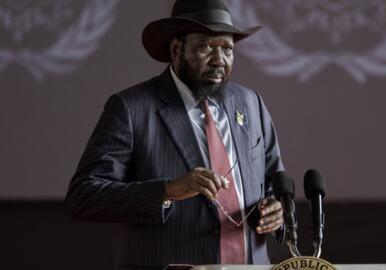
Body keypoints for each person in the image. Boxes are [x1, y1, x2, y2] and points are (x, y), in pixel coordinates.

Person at [65, 0, 285, 268]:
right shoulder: (131, 109)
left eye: (227, 49)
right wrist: (169, 190)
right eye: (206, 47)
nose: (219, 60)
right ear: (176, 49)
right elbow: (84, 197)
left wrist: (277, 211)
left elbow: (275, 182)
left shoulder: (250, 103)